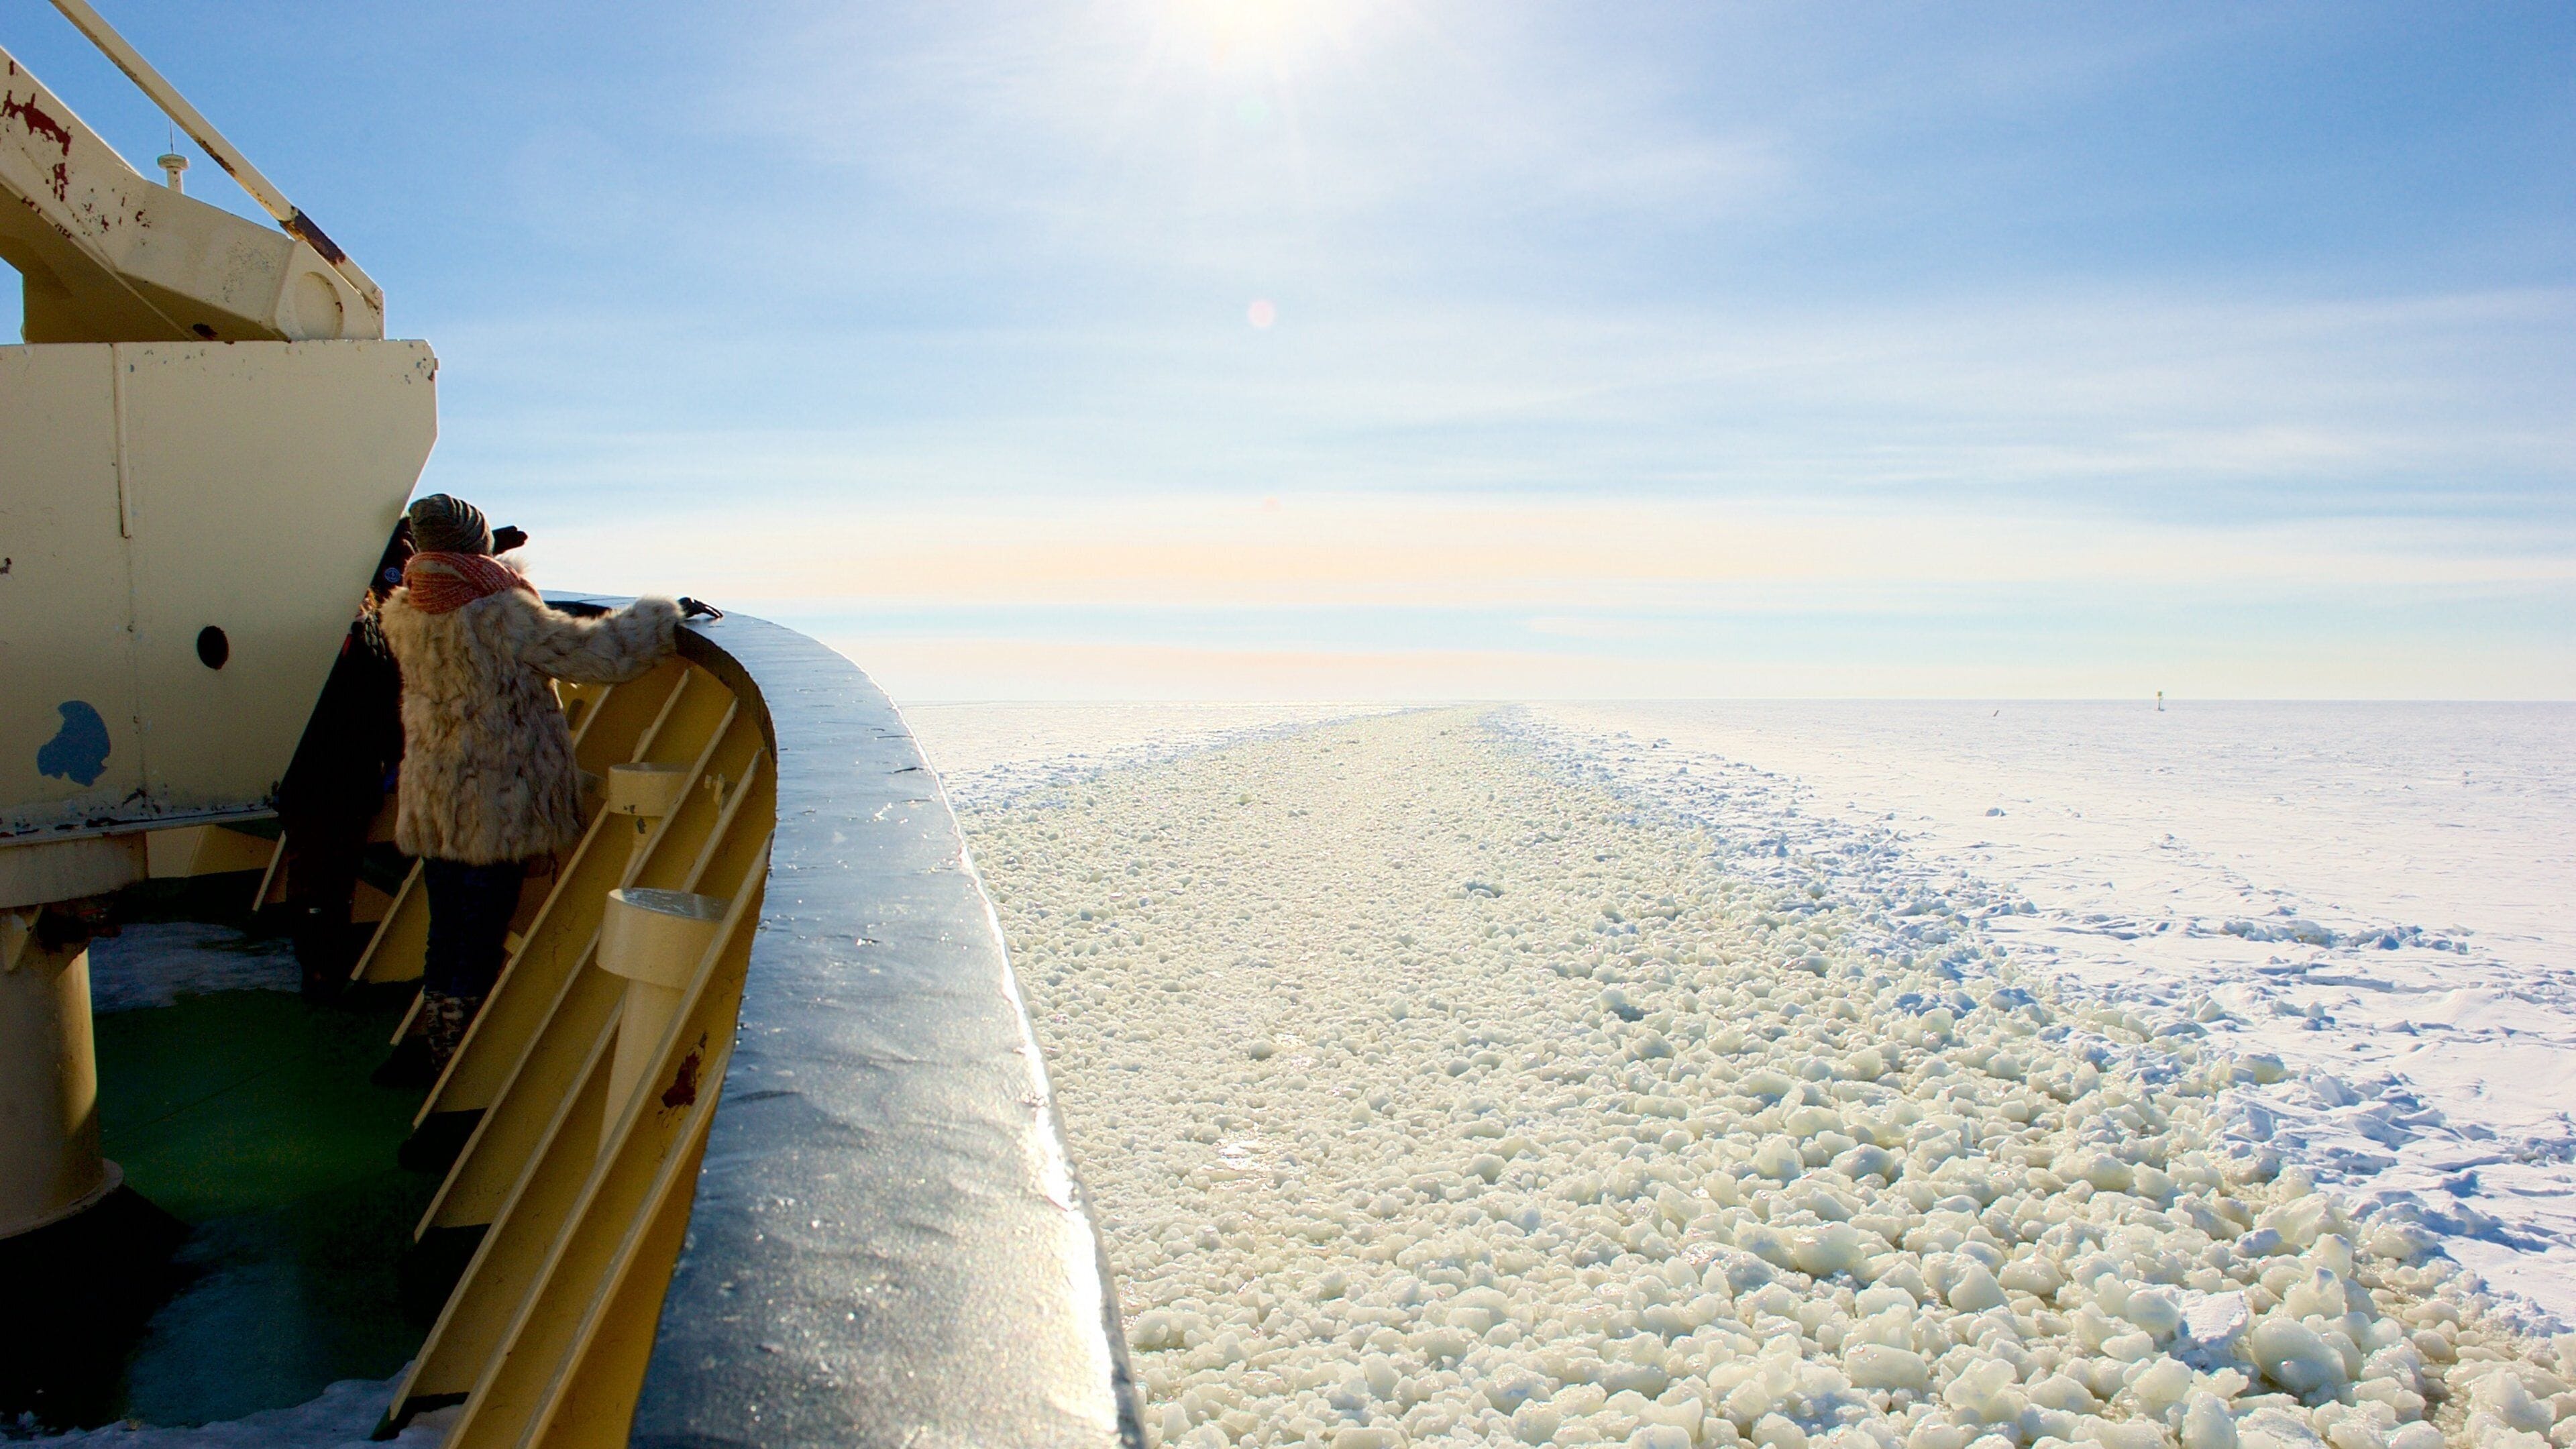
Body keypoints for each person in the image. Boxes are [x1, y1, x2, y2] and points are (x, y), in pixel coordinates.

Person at [380, 494, 680, 1070]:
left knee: (447, 933)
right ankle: (457, 1068)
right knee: (479, 936)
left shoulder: (408, 609)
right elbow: (600, 657)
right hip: (494, 801)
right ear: (476, 545)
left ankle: (438, 1045)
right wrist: (660, 617)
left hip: (435, 798)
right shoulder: (499, 615)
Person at [276, 522, 413, 999]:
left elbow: (386, 704)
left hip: (335, 777)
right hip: (327, 777)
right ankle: (319, 969)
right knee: (320, 878)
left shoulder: (359, 632)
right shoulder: (358, 636)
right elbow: (385, 703)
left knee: (324, 878)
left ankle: (321, 964)